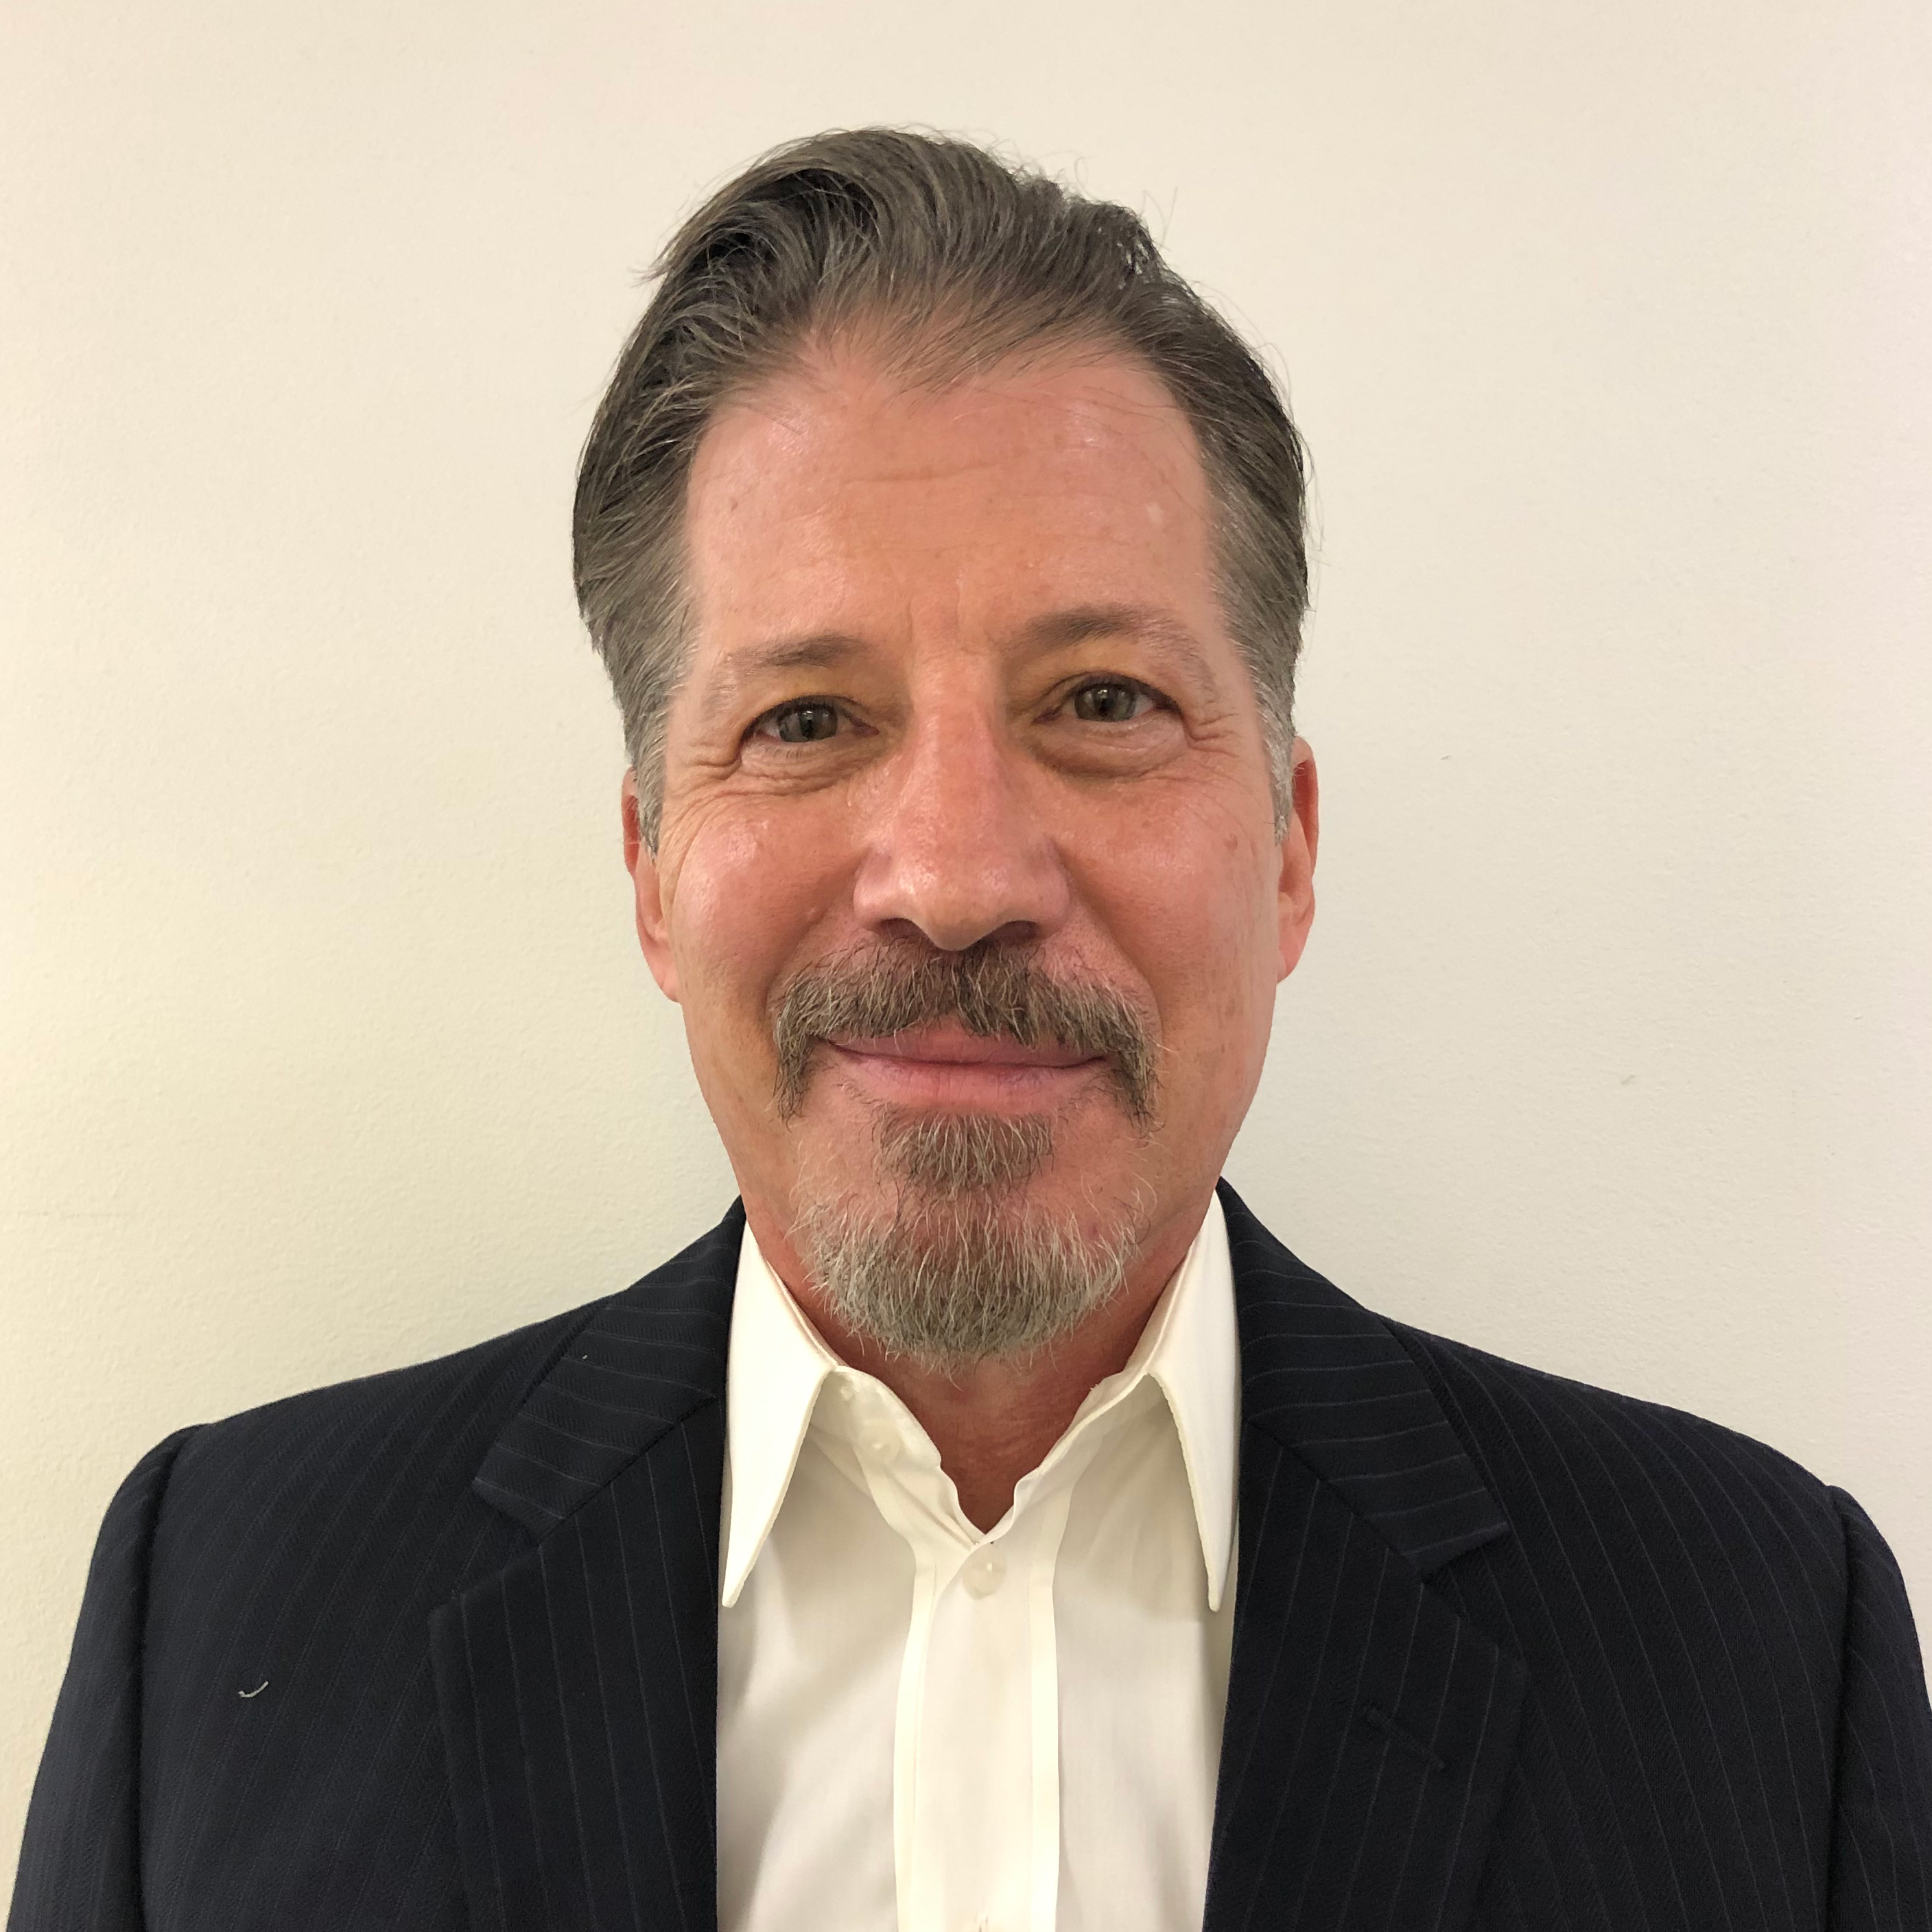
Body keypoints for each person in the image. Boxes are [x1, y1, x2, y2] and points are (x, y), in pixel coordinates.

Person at [11, 127, 1930, 1932]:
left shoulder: (1764, 1646)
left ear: (1288, 851)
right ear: (653, 866)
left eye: (1101, 701)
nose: (952, 875)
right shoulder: (225, 1609)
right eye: (805, 720)